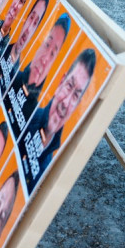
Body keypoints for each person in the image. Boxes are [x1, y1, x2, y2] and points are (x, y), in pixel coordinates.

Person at [18, 48, 96, 192]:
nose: (66, 102)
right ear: (61, 82)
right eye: (69, 86)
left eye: (75, 96)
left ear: (77, 105)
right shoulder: (23, 115)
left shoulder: (50, 164)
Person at [4, 14, 71, 135]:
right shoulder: (11, 75)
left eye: (53, 54)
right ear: (39, 44)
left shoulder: (38, 119)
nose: (45, 59)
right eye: (47, 44)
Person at [0, 0, 52, 89]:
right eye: (31, 18)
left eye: (35, 23)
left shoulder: (18, 79)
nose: (28, 29)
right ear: (25, 20)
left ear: (35, 32)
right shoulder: (0, 45)